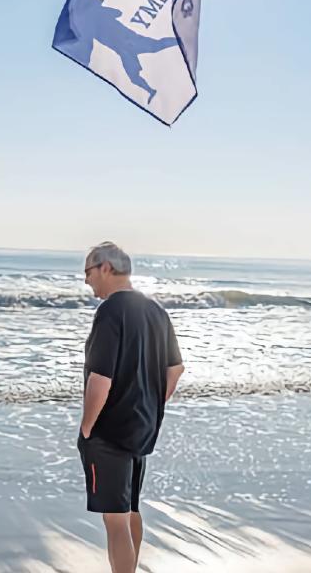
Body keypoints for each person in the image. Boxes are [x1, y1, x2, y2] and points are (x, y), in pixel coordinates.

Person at [77, 241, 184, 573]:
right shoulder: (155, 311)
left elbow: (101, 378)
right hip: (142, 427)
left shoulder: (111, 310)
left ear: (106, 268)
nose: (86, 280)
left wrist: (86, 428)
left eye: (88, 271)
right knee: (130, 509)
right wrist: (149, 403)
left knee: (115, 518)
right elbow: (175, 368)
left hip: (110, 432)